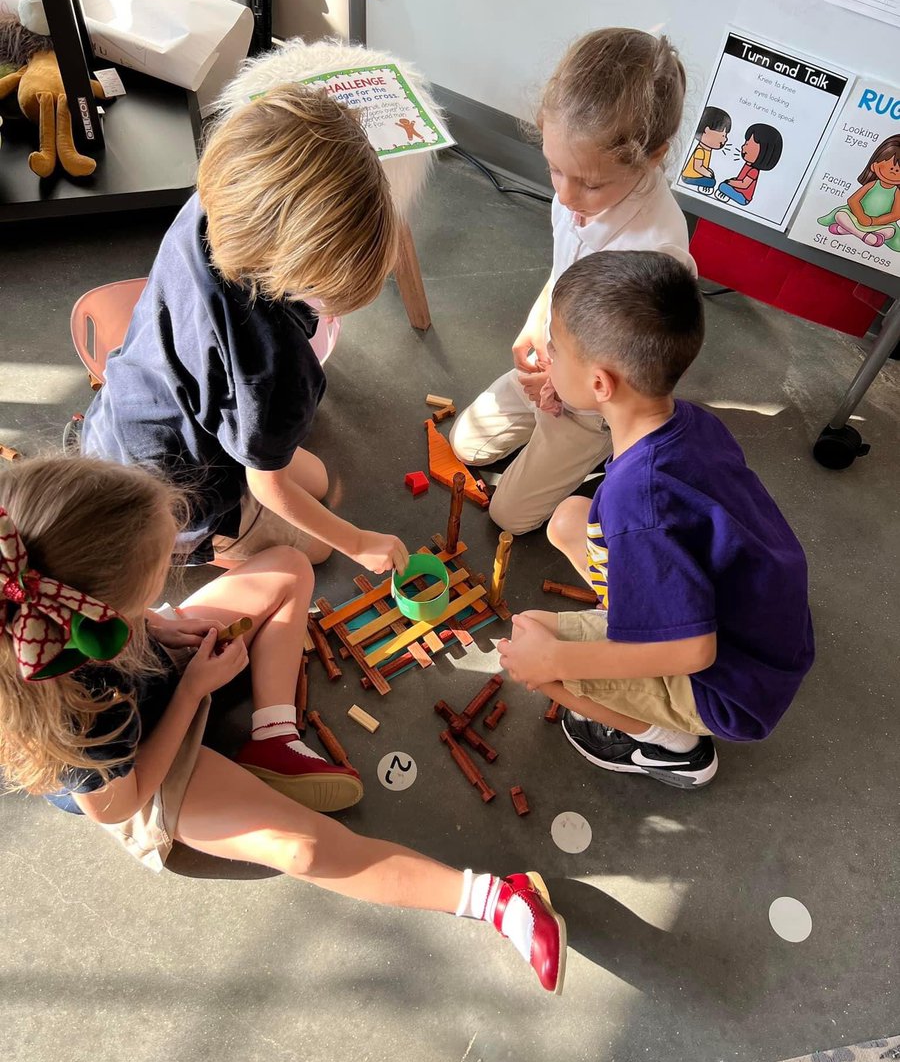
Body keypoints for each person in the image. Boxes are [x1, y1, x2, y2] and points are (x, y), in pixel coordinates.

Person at [0, 457, 566, 995]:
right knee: (300, 849)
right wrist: (193, 689)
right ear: (103, 607)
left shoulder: (56, 585)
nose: (168, 578)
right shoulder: (76, 712)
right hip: (140, 762)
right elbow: (120, 802)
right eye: (152, 581)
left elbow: (125, 611)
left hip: (135, 658)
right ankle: (495, 900)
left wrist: (150, 624)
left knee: (291, 569)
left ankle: (274, 736)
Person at [498, 252, 815, 790]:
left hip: (727, 686)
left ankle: (673, 747)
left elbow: (696, 651)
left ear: (600, 384)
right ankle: (634, 629)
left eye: (555, 347)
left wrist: (554, 656)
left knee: (529, 646)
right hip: (767, 629)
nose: (546, 353)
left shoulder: (636, 501)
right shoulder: (687, 421)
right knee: (569, 520)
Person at [82, 84, 409, 577]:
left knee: (317, 479)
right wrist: (357, 540)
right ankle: (202, 544)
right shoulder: (276, 369)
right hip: (175, 495)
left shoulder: (214, 208)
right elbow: (268, 486)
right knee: (317, 549)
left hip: (124, 418)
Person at [450, 28, 697, 536]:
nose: (564, 196)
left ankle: (598, 450)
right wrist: (535, 325)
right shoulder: (579, 192)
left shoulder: (655, 253)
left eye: (588, 182)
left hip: (595, 400)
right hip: (557, 362)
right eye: (554, 170)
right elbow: (565, 273)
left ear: (652, 157)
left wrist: (568, 389)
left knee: (508, 518)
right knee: (464, 446)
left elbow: (631, 375)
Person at [716, 123, 783, 206]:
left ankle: (726, 193)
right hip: (737, 190)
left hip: (743, 198)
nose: (743, 147)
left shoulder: (753, 171)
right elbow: (740, 179)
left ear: (763, 152)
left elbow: (744, 184)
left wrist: (729, 182)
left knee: (723, 186)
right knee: (725, 185)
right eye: (745, 143)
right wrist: (733, 181)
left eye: (747, 144)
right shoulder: (748, 165)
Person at [679, 105, 731, 194]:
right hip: (689, 177)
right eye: (723, 135)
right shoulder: (700, 151)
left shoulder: (707, 150)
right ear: (707, 130)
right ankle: (705, 187)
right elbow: (697, 167)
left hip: (697, 176)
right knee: (712, 182)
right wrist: (708, 174)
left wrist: (708, 172)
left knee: (711, 180)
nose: (725, 139)